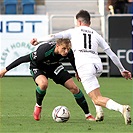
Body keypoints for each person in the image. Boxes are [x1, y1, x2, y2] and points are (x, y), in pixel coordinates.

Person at [30, 10, 132, 125]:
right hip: (98, 65)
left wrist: (38, 40)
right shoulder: (96, 34)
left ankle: (121, 108)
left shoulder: (74, 31)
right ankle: (99, 112)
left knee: (96, 98)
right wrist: (122, 69)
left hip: (85, 66)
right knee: (93, 87)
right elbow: (111, 53)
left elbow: (52, 36)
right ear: (89, 22)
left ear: (78, 21)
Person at [0, 38, 95, 121]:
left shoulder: (68, 52)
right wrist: (4, 70)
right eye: (64, 49)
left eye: (68, 49)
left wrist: (77, 71)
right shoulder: (43, 52)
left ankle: (88, 115)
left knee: (74, 88)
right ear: (57, 46)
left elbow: (72, 60)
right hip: (38, 67)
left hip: (54, 67)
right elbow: (22, 59)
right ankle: (38, 105)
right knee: (43, 84)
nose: (66, 51)